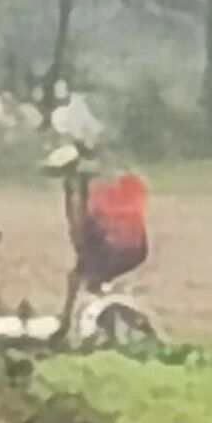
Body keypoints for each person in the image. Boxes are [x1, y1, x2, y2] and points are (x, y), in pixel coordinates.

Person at [45, 141, 151, 334]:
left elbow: (80, 225)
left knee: (78, 279)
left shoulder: (83, 193)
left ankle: (67, 325)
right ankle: (74, 320)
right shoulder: (102, 182)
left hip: (110, 246)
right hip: (133, 246)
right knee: (83, 279)